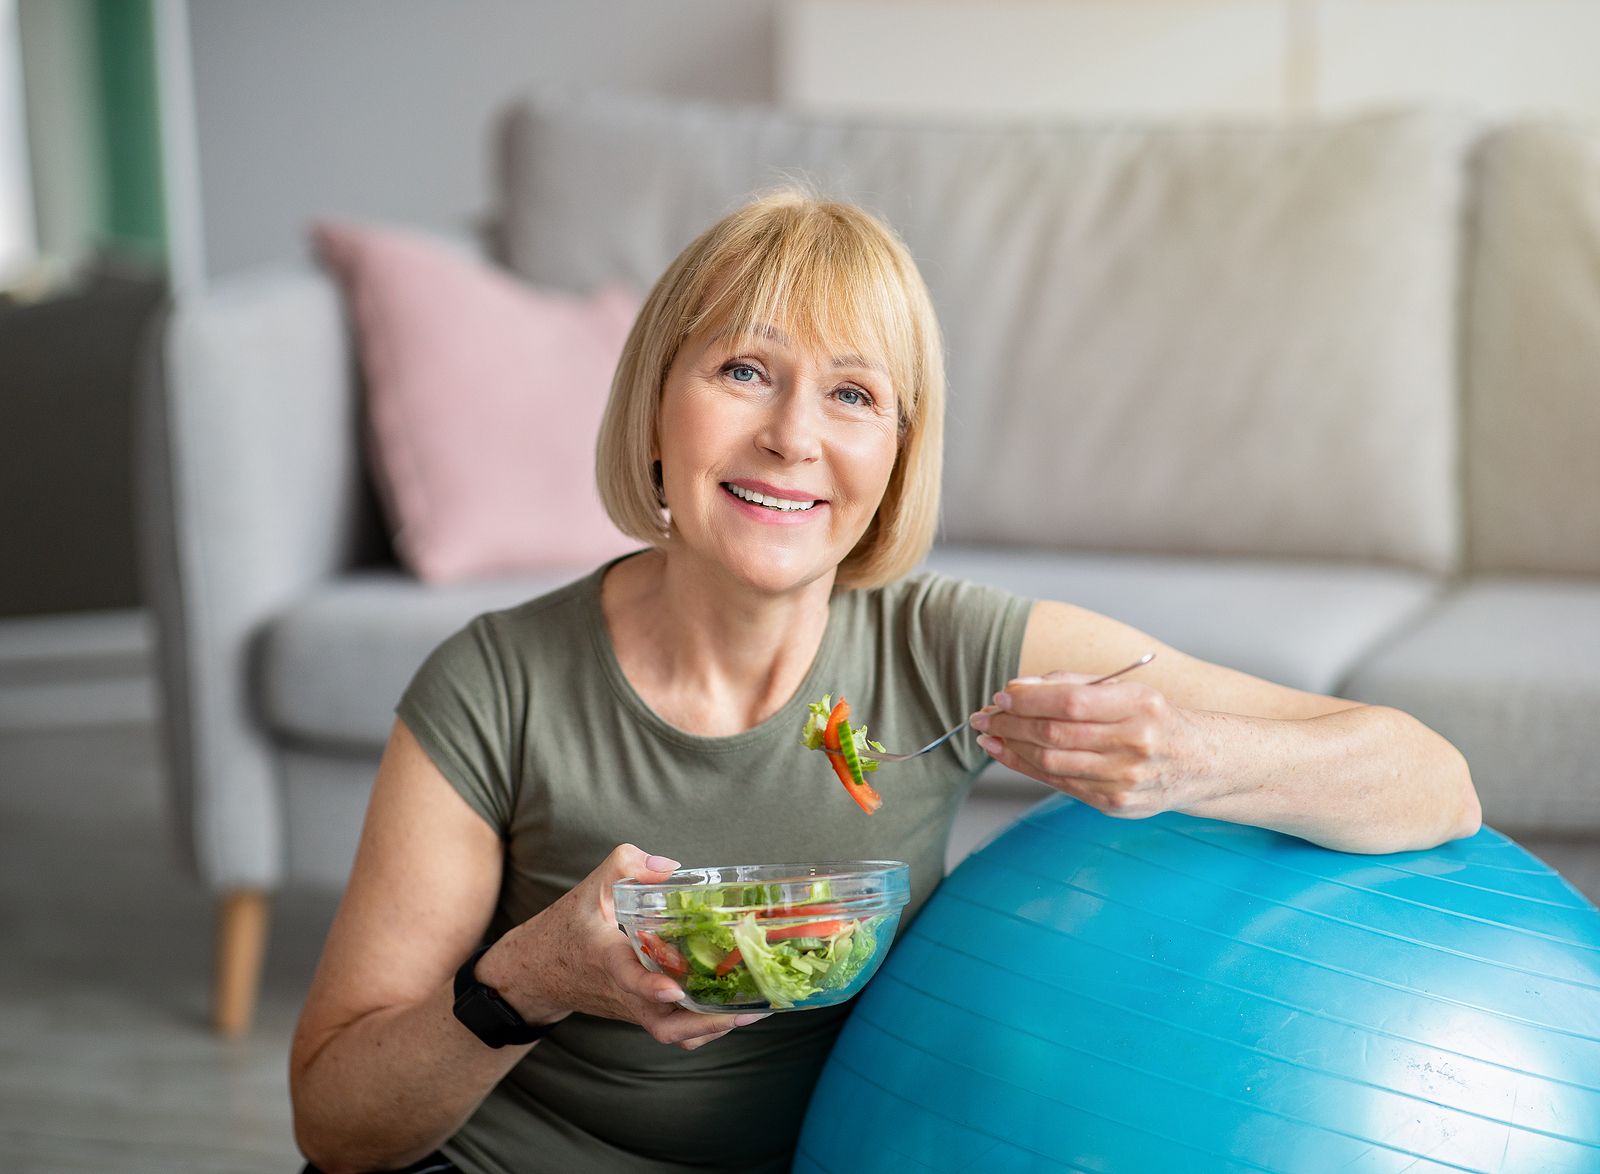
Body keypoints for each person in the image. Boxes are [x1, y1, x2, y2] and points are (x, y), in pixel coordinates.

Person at [289, 190, 1480, 1174]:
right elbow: (337, 1124)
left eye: (854, 394)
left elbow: (1430, 781)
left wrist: (1191, 758)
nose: (793, 437)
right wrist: (531, 977)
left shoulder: (947, 650)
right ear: (657, 403)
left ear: (897, 455)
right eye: (745, 370)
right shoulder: (493, 683)